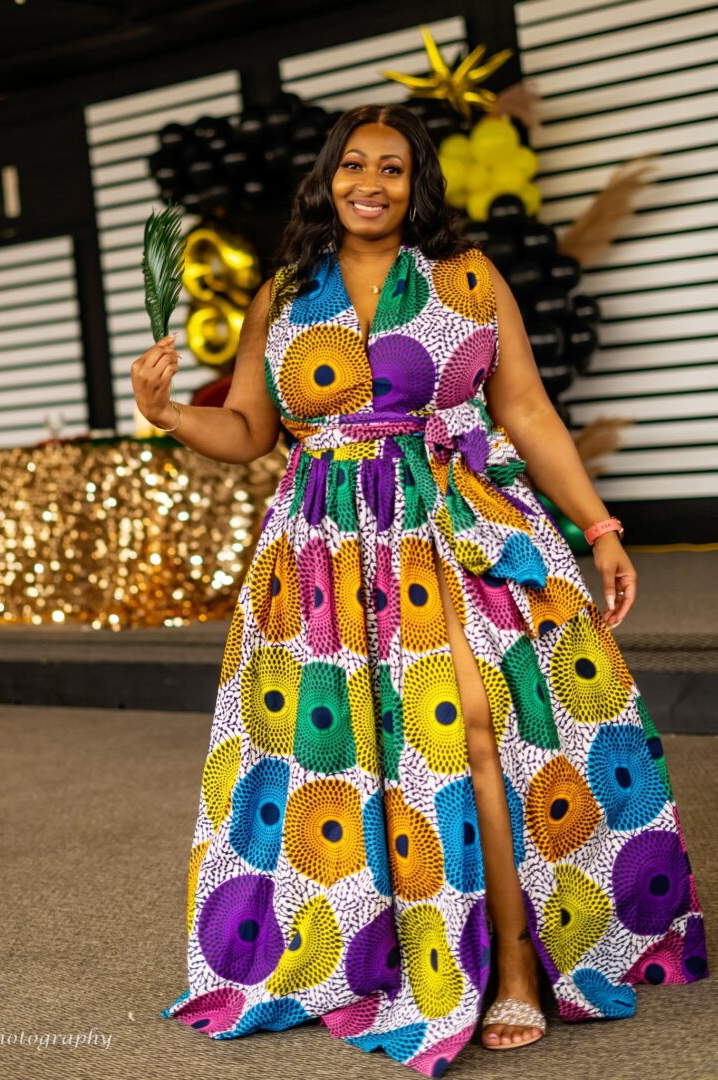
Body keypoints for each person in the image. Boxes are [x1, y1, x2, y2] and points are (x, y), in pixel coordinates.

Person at [133, 103, 709, 1076]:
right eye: (353, 164)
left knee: (475, 724)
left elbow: (526, 408)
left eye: (391, 168)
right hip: (325, 550)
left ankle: (515, 964)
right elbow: (248, 431)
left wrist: (600, 528)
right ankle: (401, 949)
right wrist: (166, 414)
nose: (370, 182)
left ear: (416, 185)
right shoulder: (284, 293)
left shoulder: (466, 276)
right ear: (326, 178)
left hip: (449, 525)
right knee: (359, 751)